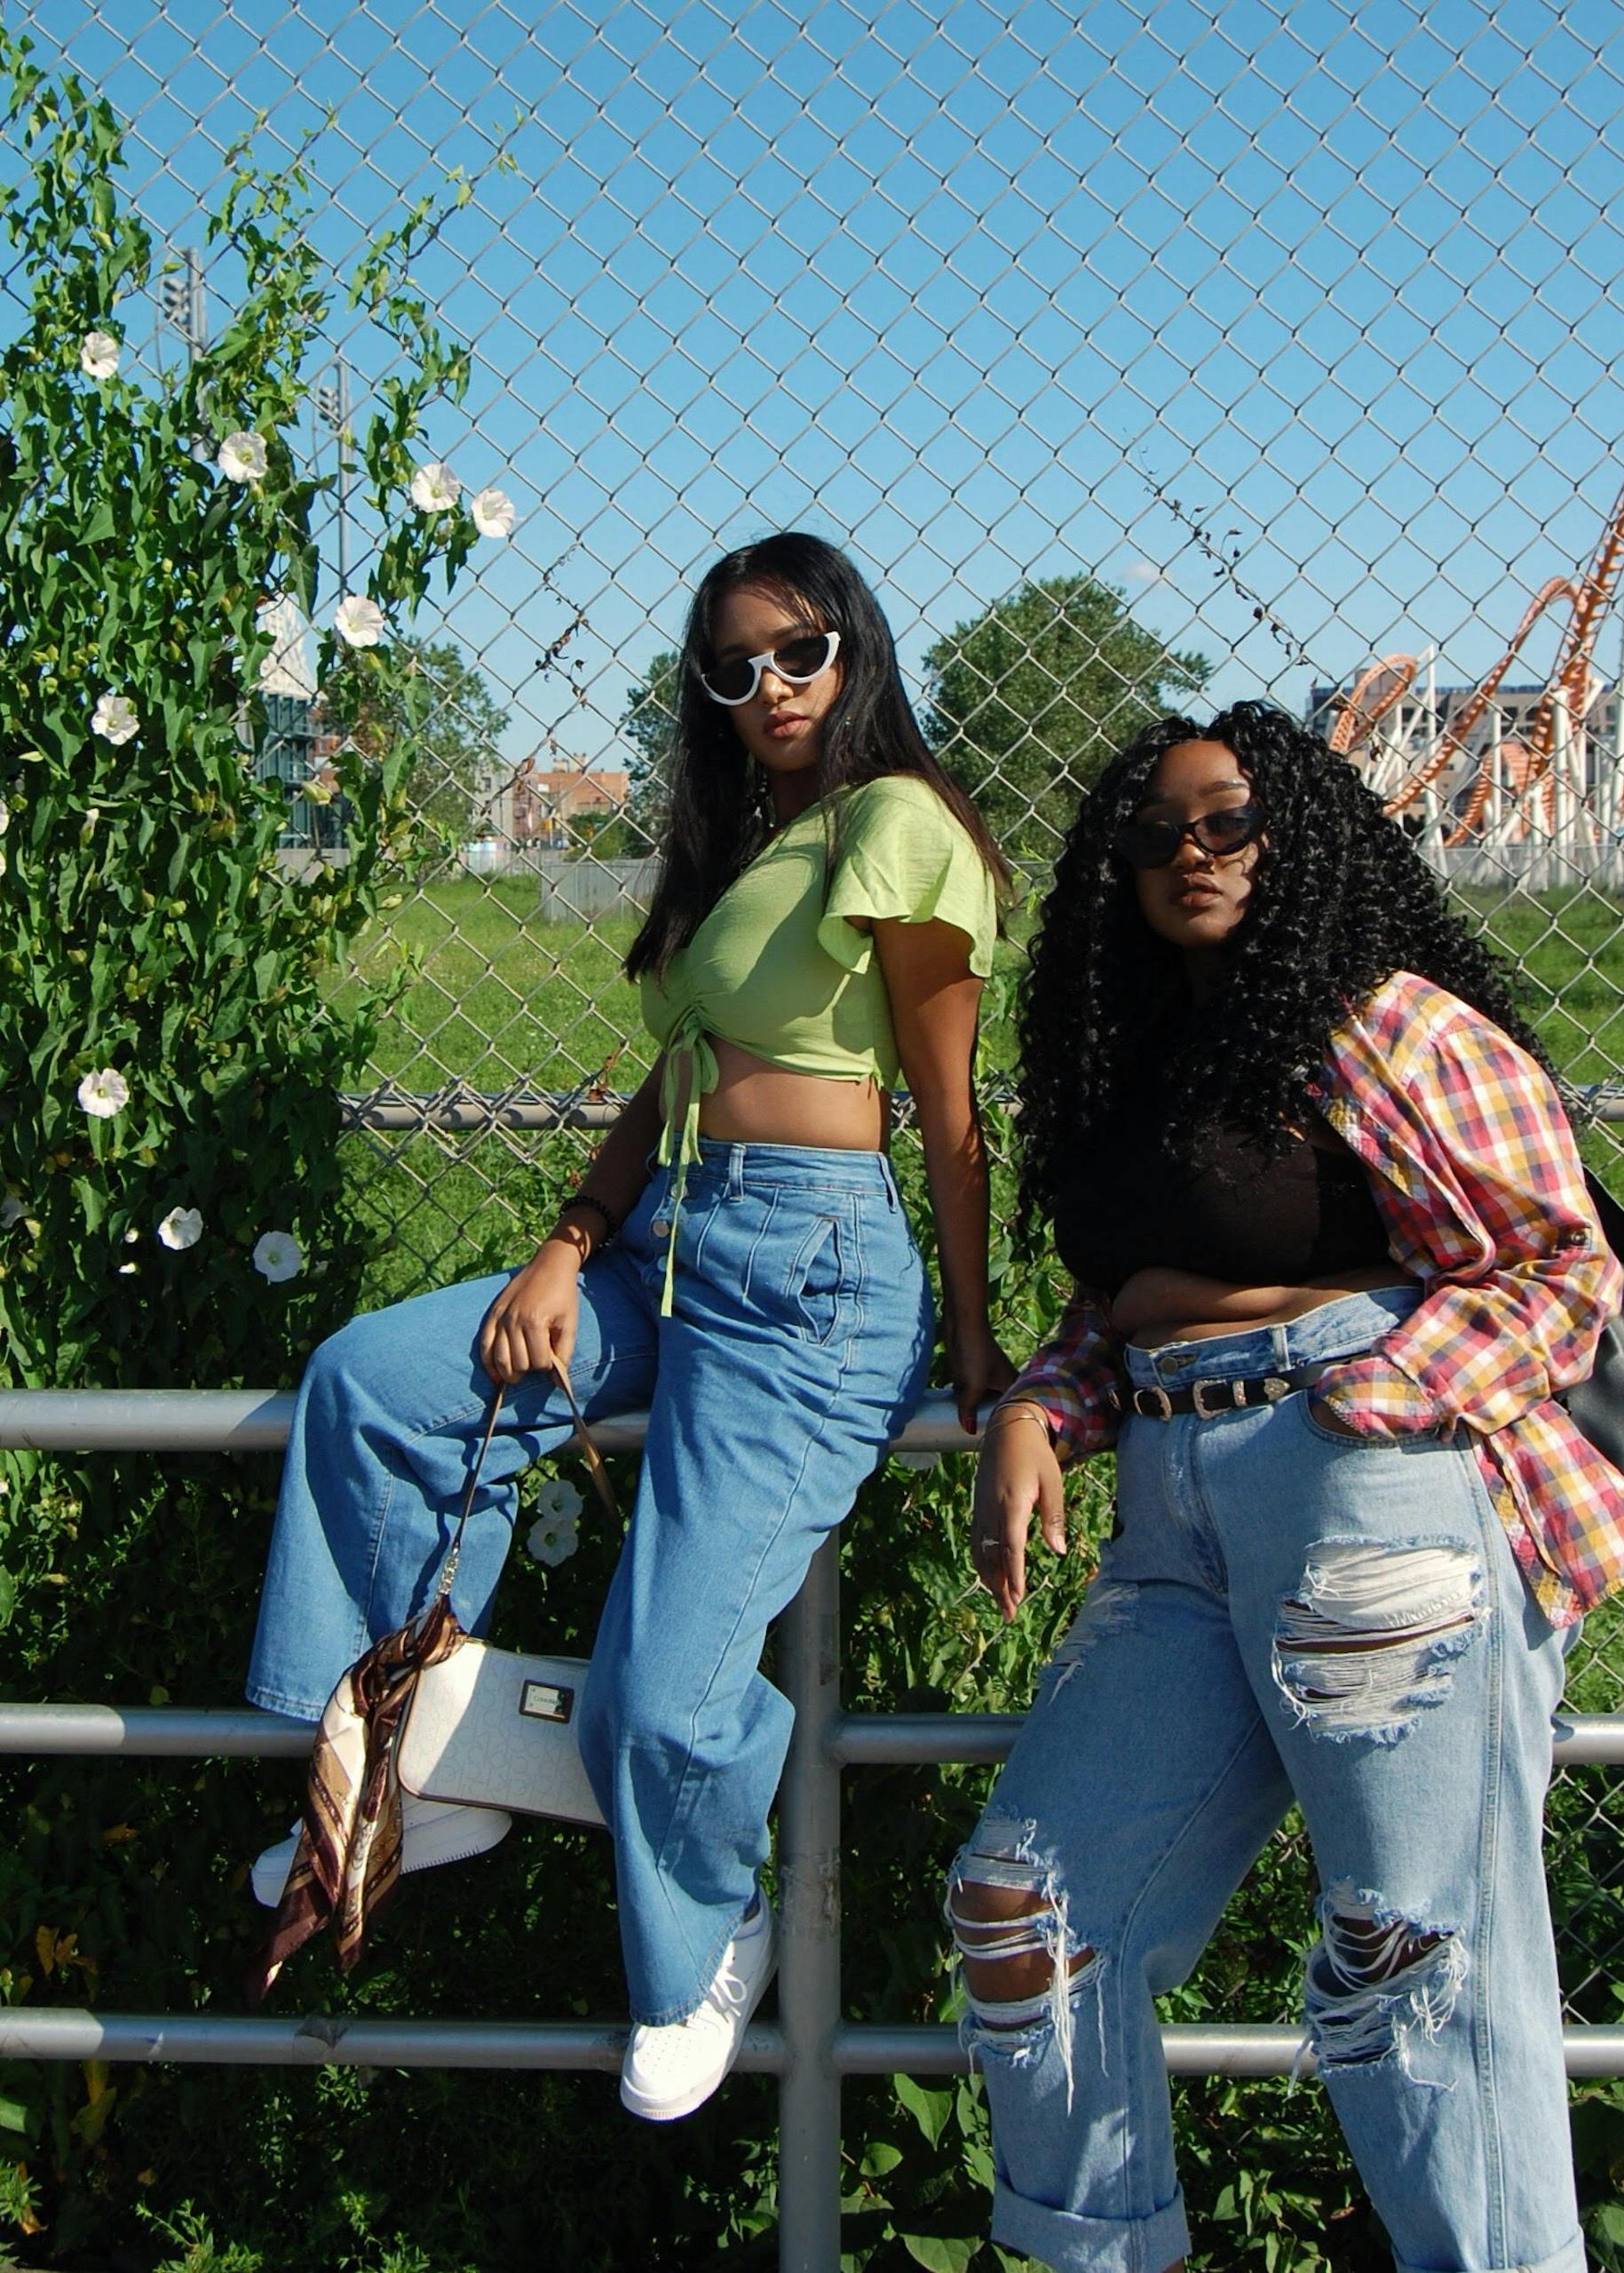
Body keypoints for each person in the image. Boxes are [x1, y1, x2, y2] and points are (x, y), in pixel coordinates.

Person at [246, 530, 1012, 2120]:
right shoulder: (749, 846)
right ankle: (397, 1770)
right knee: (372, 1385)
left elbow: (950, 1119)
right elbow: (674, 1082)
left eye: (798, 651)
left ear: (854, 647)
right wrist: (564, 1238)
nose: (770, 689)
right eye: (733, 669)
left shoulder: (898, 823)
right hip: (665, 1241)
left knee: (656, 1691)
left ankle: (705, 1943)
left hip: (816, 1279)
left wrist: (987, 1358)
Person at [950, 701, 1624, 2273]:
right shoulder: (1126, 1058)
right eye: (1154, 836)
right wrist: (1042, 1407)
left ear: (1300, 838)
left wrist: (1378, 1401)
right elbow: (1130, 1298)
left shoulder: (1386, 1022)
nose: (1189, 857)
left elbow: (1561, 1260)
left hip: (1364, 1495)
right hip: (1171, 1508)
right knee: (1027, 1912)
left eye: (1227, 825)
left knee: (1411, 1958)